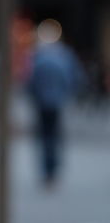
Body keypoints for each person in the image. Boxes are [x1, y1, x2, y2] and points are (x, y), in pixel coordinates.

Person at [28, 19, 85, 187]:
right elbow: (73, 78)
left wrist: (34, 96)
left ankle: (47, 169)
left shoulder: (38, 56)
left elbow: (30, 81)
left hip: (42, 102)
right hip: (57, 101)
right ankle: (52, 167)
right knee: (54, 135)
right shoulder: (64, 55)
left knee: (45, 136)